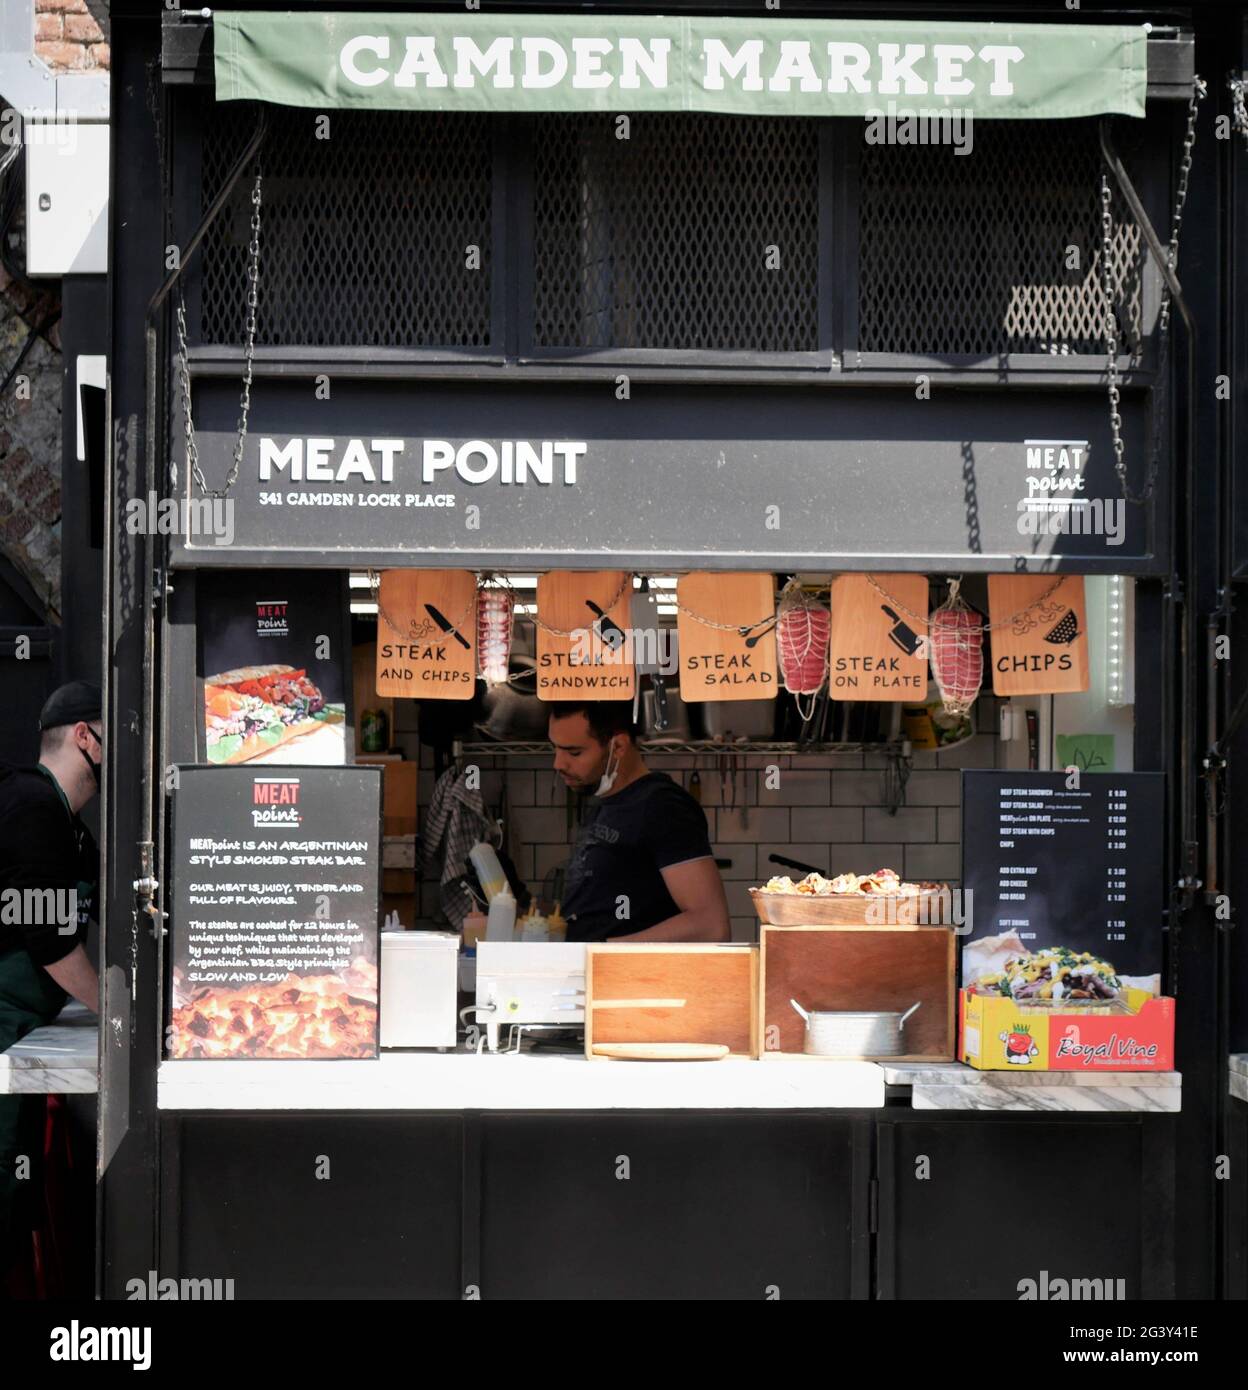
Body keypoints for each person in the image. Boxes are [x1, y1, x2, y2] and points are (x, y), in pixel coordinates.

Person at [0, 681, 101, 1278]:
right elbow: (52, 942)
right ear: (85, 736)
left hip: (23, 1037)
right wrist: (121, 1012)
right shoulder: (33, 809)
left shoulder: (75, 833)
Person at [549, 701, 730, 943]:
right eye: (555, 749)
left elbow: (710, 925)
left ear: (619, 746)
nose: (558, 764)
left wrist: (607, 951)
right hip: (592, 974)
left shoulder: (663, 806)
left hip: (628, 977)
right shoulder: (608, 801)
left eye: (574, 753)